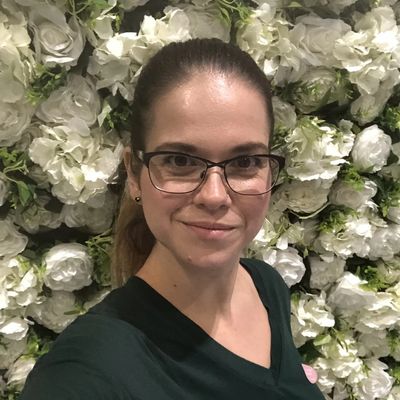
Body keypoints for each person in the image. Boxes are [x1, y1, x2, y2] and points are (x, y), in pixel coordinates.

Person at [20, 38, 325, 399]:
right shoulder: (87, 370)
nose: (214, 196)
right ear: (135, 173)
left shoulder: (264, 285)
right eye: (180, 161)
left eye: (245, 162)